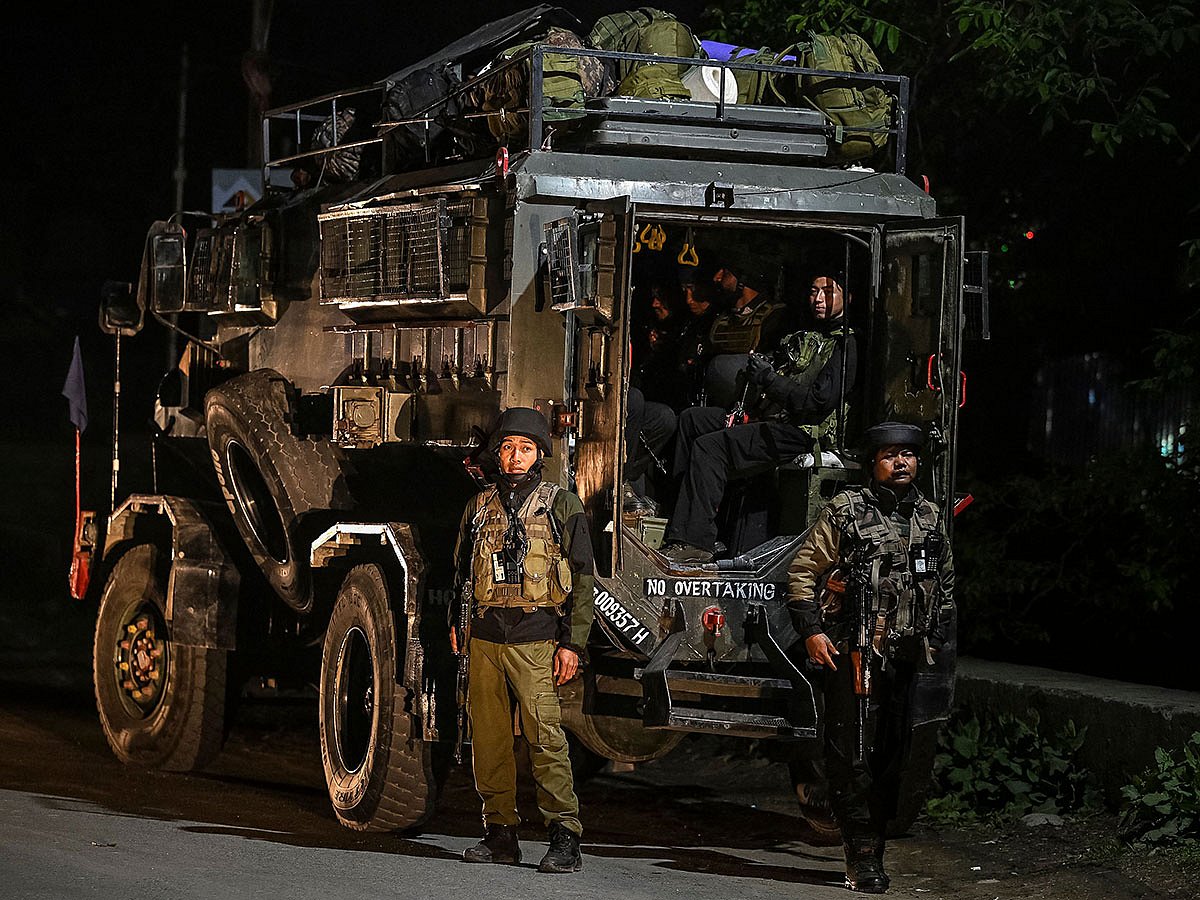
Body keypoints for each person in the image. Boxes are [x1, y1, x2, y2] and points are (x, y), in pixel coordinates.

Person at [786, 422, 955, 894]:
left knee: (893, 760)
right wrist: (814, 633)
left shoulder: (929, 516)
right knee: (852, 756)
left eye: (908, 454)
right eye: (889, 455)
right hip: (854, 654)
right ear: (873, 463)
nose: (901, 462)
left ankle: (874, 846)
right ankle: (862, 857)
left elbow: (944, 584)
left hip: (906, 658)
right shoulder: (846, 512)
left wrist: (936, 638)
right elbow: (802, 573)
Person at [450, 407, 595, 873]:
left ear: (540, 455)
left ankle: (564, 836)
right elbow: (460, 573)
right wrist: (458, 623)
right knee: (490, 741)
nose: (515, 456)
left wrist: (572, 644)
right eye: (508, 447)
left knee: (544, 738)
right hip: (486, 637)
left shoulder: (561, 504)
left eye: (526, 448)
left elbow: (584, 577)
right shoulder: (479, 507)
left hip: (536, 639)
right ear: (498, 453)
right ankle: (500, 835)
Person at [659, 273, 858, 563]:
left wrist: (769, 379)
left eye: (828, 293)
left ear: (847, 298)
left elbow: (816, 402)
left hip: (804, 433)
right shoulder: (809, 335)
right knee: (693, 420)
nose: (817, 299)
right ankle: (677, 519)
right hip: (777, 419)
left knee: (710, 447)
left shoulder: (845, 346)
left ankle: (695, 541)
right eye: (814, 291)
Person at [702, 262, 791, 408]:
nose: (717, 278)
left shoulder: (774, 316)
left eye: (725, 273)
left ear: (743, 279)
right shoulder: (719, 317)